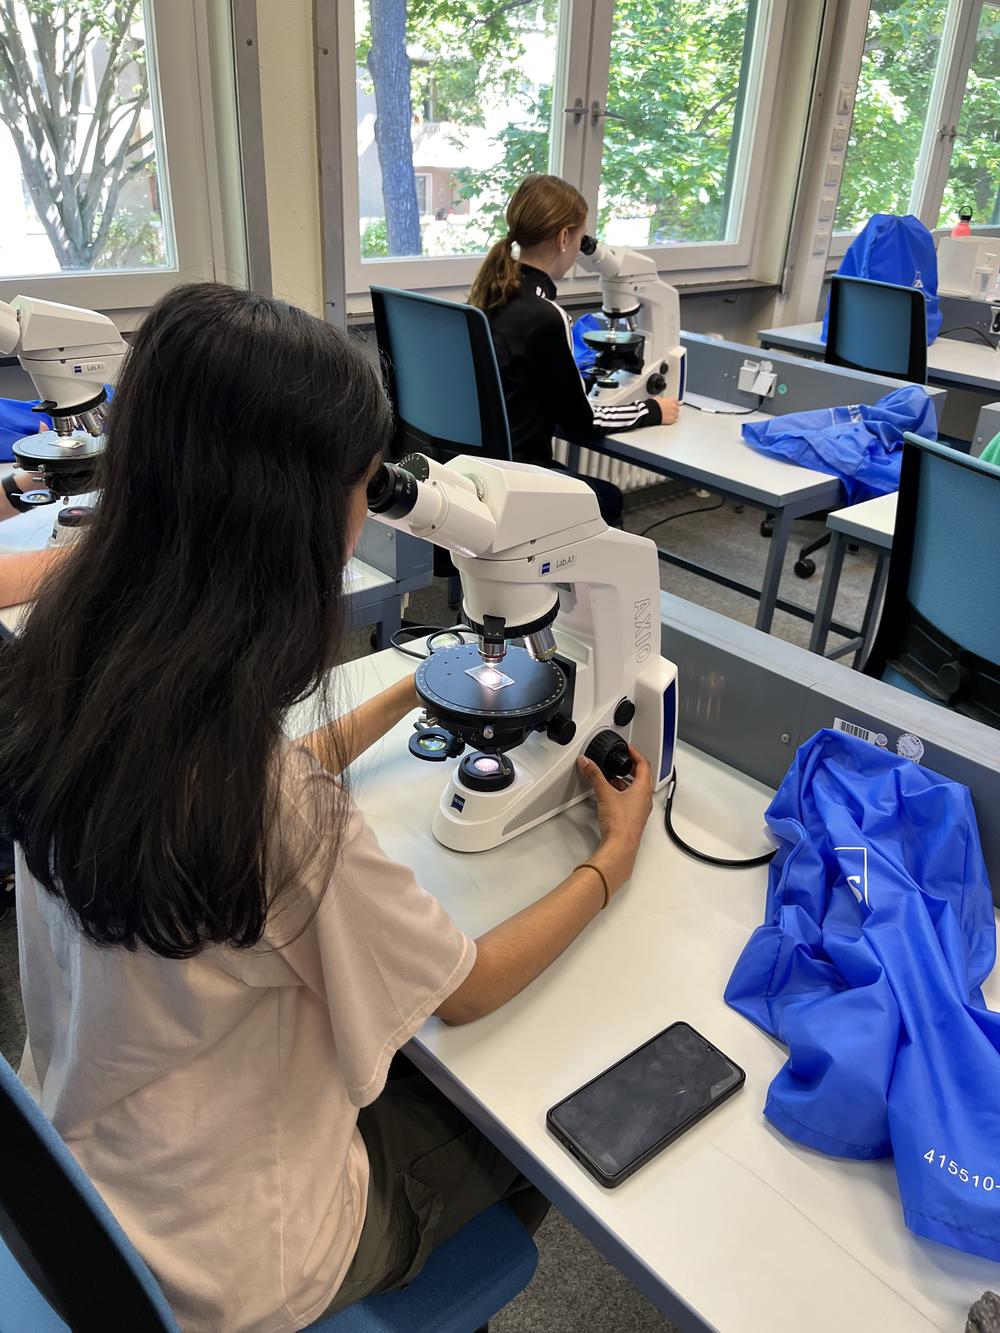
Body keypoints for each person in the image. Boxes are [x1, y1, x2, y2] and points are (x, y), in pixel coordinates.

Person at [0, 282, 654, 1333]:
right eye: (365, 481)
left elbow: (232, 788)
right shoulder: (279, 814)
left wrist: (406, 693)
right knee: (526, 1118)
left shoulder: (66, 675)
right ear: (294, 526)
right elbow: (467, 987)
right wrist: (610, 862)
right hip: (244, 1263)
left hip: (97, 1183)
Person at [468, 174, 681, 526]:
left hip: (477, 468)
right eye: (581, 236)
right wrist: (651, 410)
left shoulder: (491, 296)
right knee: (607, 496)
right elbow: (583, 423)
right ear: (565, 237)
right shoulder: (545, 315)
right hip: (519, 476)